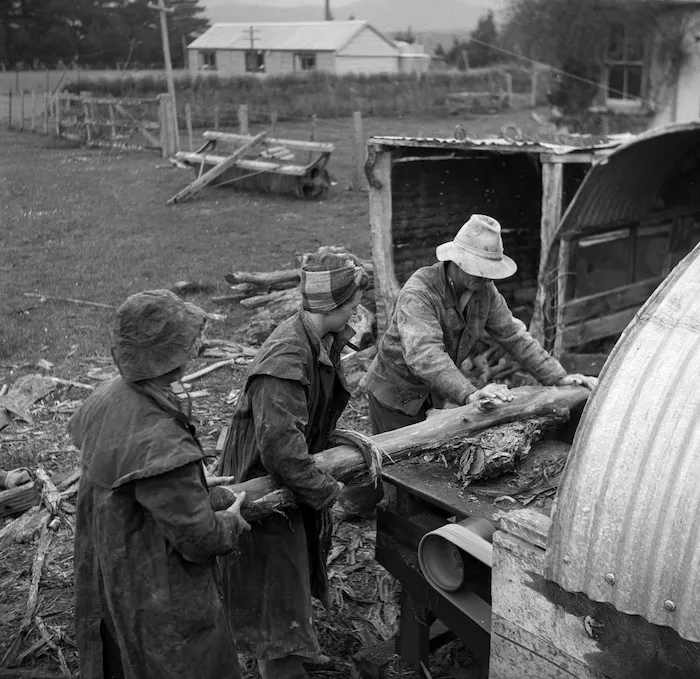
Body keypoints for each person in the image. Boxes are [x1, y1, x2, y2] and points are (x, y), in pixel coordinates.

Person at [68, 289, 250, 679]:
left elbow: (130, 478)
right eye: (188, 339)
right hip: (156, 586)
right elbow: (200, 540)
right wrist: (230, 521)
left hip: (109, 564)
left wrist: (189, 484)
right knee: (176, 660)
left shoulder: (105, 397)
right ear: (174, 355)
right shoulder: (163, 443)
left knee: (119, 651)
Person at [219, 252, 368, 679]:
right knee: (274, 588)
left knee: (294, 573)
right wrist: (328, 495)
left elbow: (305, 420)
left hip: (289, 480)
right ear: (333, 304)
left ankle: (292, 648)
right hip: (262, 487)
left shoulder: (322, 341)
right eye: (354, 300)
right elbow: (281, 450)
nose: (358, 307)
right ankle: (281, 663)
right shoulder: (287, 356)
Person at [364, 214, 597, 435]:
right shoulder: (420, 293)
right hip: (395, 393)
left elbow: (513, 334)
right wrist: (470, 394)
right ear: (455, 259)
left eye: (487, 270)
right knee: (392, 464)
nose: (483, 276)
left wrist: (556, 376)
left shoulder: (484, 291)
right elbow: (425, 354)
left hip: (431, 392)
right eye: (476, 267)